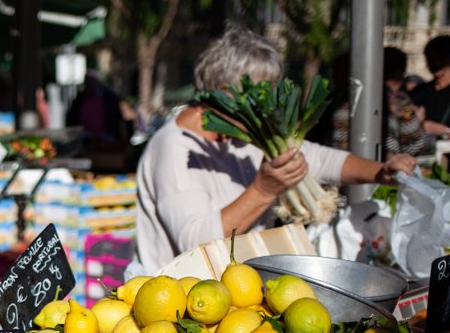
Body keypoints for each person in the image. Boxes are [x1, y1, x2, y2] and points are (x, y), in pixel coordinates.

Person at [132, 28, 416, 274]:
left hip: (241, 292)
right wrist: (264, 189)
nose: (271, 106)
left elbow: (318, 158)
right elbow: (195, 242)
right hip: (181, 302)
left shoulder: (243, 135)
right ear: (225, 92)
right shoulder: (175, 148)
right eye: (262, 94)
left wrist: (381, 171)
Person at [382, 47, 431, 157]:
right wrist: (419, 122)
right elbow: (413, 147)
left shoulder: (355, 97)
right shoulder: (401, 102)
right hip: (385, 163)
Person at [66, 74, 129, 151]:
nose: (88, 86)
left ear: (97, 83)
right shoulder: (79, 99)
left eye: (90, 83)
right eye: (86, 84)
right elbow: (71, 119)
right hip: (84, 142)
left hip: (106, 142)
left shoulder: (110, 99)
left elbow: (121, 119)